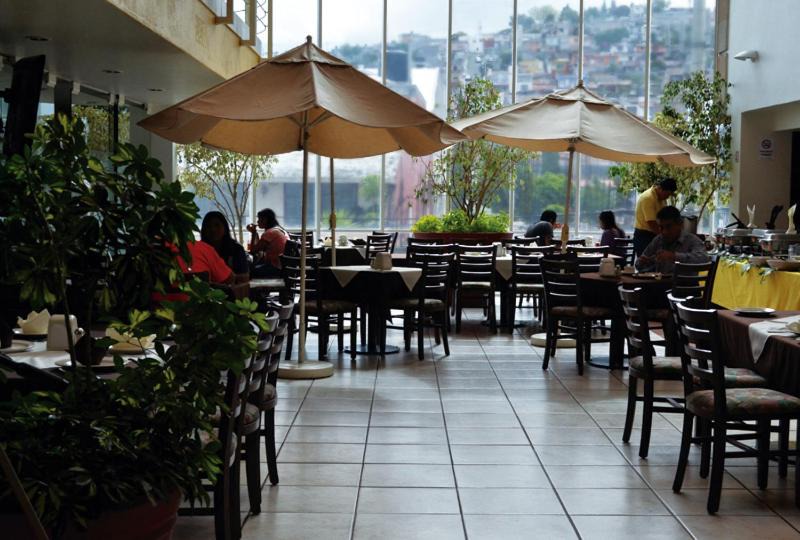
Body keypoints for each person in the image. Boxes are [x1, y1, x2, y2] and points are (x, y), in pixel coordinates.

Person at [635, 206, 709, 274]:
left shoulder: (691, 240)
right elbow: (639, 264)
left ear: (680, 224)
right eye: (661, 227)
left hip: (685, 286)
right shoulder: (658, 240)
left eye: (668, 227)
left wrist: (674, 256)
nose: (664, 232)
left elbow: (704, 259)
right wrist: (642, 262)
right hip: (660, 285)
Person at [633, 177, 677, 256]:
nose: (667, 197)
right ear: (661, 189)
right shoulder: (648, 198)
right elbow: (651, 222)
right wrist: (664, 237)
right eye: (667, 194)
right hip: (644, 236)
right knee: (646, 263)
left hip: (655, 234)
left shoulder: (662, 198)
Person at [200, 212, 249, 277]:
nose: (213, 229)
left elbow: (244, 277)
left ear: (225, 228)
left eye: (217, 225)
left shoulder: (236, 249)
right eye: (208, 226)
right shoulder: (199, 250)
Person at [247, 208, 289, 279]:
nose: (257, 222)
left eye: (259, 219)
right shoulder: (278, 229)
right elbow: (258, 247)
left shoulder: (270, 233)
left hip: (276, 268)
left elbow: (253, 250)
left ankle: (254, 290)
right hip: (284, 267)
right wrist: (255, 233)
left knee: (247, 271)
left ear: (265, 220)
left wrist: (253, 233)